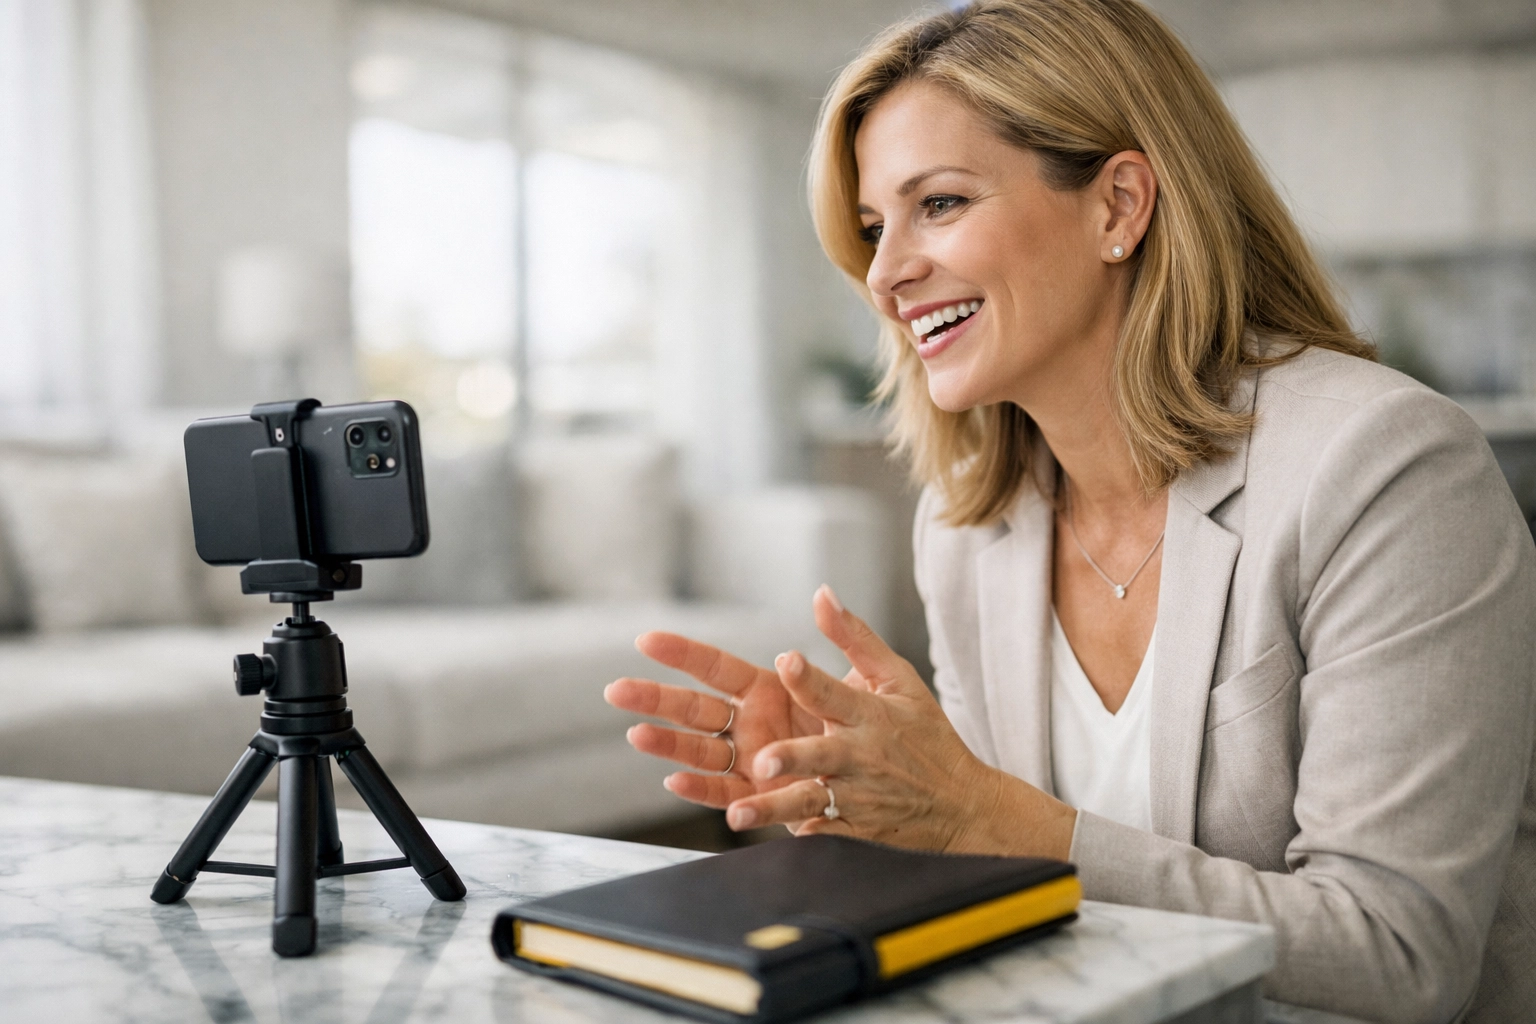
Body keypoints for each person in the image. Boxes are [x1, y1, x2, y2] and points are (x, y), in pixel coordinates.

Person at [603, 2, 1536, 1020]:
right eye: (875, 228)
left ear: (1118, 205)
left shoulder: (1385, 467)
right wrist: (857, 799)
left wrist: (988, 817)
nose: (883, 274)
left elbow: (1400, 955)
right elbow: (997, 883)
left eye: (941, 203)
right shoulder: (967, 530)